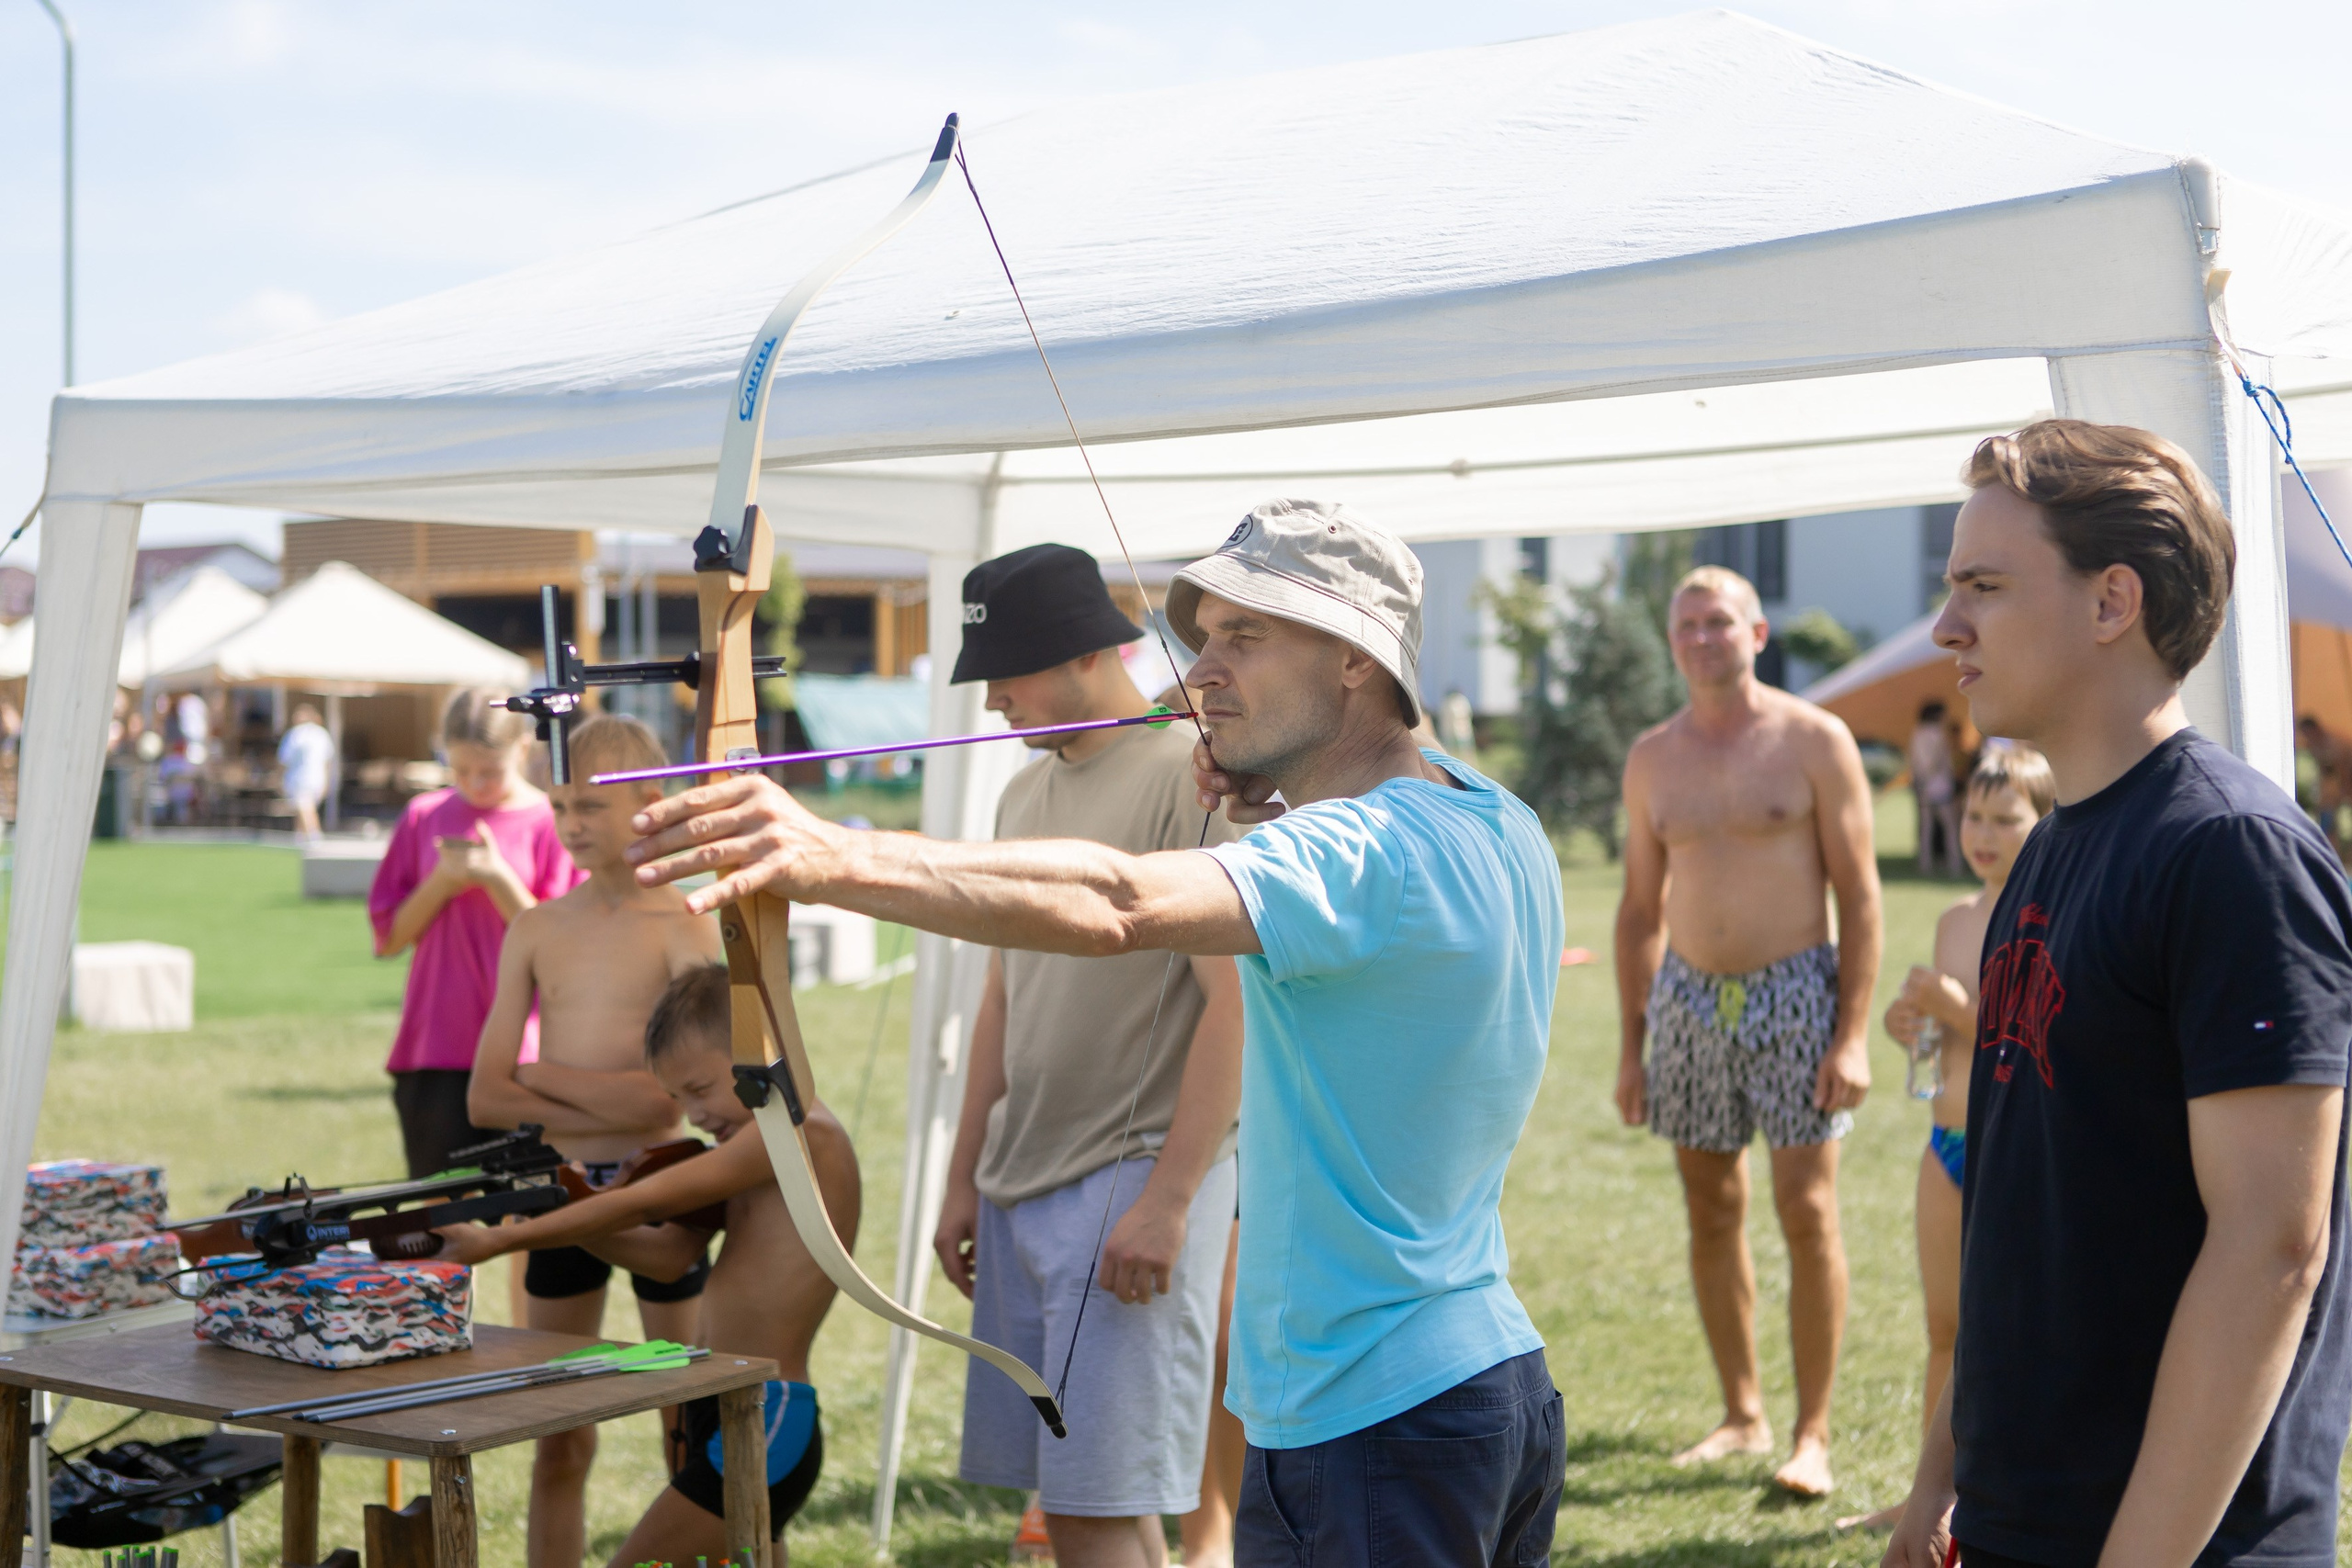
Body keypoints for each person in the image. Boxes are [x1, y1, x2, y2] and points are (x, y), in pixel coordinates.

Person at [622, 499, 1567, 1564]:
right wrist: (1268, 775)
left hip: (1370, 1417)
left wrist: (828, 855)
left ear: (1353, 657)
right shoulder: (1492, 815)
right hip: (1478, 1382)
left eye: (1243, 637)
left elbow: (1118, 901)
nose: (1201, 669)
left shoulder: (1365, 853)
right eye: (1204, 636)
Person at [1880, 420, 2352, 1568]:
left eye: (1984, 586)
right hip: (2018, 1520)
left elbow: (2269, 1250)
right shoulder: (2048, 854)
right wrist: (1938, 1484)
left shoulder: (2233, 854)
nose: (1947, 626)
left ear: (2111, 603)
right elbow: (2015, 1207)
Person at [924, 545, 1245, 1568]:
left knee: (1097, 1510)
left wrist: (1171, 1195)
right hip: (1022, 1184)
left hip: (1127, 1180)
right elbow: (999, 1000)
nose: (993, 705)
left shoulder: (1183, 777)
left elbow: (1233, 1012)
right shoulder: (1021, 798)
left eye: (1006, 675)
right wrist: (964, 1178)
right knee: (1083, 1508)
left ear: (1079, 655)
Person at [439, 964, 857, 1566]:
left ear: (754, 1050)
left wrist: (499, 1241)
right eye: (678, 1098)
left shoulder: (796, 1133)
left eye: (699, 1087)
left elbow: (646, 1201)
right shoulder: (746, 1143)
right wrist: (574, 1202)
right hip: (724, 1407)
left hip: (769, 1411)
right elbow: (664, 1256)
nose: (691, 1115)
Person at [1613, 564, 1882, 1498]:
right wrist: (1630, 1044)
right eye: (1685, 625)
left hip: (1798, 992)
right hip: (1689, 1001)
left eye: (1717, 623)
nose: (1700, 638)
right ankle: (1740, 1413)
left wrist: (1849, 1035)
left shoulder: (1814, 740)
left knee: (1806, 1212)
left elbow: (1858, 890)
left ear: (1756, 634)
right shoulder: (1652, 757)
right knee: (1708, 1206)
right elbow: (1639, 908)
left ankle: (1810, 1435)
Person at [464, 716, 721, 1568]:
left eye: (591, 805)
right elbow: (485, 1095)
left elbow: (665, 1102)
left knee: (685, 1425)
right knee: (559, 1430)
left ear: (651, 803)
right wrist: (576, 1096)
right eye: (561, 804)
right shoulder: (538, 927)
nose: (571, 823)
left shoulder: (684, 922)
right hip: (564, 1193)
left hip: (659, 1195)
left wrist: (546, 1079)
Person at [1842, 744, 2052, 1533]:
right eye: (1974, 815)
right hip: (1948, 1143)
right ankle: (1932, 1492)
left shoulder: (2047, 917)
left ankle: (2008, 1493)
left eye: (2008, 818)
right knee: (1945, 1327)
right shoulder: (1954, 917)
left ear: (2047, 821)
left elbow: (2031, 1042)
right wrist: (1912, 1026)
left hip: (2015, 1154)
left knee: (2015, 1330)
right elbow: (1947, 1043)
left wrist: (1962, 1008)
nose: (1985, 833)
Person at [368, 688, 581, 1179]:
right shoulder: (424, 816)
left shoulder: (553, 822)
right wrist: (442, 882)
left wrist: (497, 877)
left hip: (526, 1051)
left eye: (489, 771)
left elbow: (564, 946)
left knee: (531, 1206)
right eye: (460, 771)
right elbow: (390, 939)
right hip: (436, 1042)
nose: (474, 784)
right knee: (442, 1207)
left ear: (523, 751)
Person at [1909, 702, 1961, 875]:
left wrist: (1921, 781)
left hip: (1923, 785)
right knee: (1950, 827)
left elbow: (1916, 762)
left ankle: (1925, 864)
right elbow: (1939, 762)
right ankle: (1955, 864)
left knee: (1926, 827)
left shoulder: (1917, 734)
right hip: (1940, 786)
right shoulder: (1938, 734)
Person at [277, 703, 337, 840]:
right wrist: (327, 779)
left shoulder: (296, 735)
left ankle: (314, 835)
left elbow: (283, 760)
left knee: (305, 806)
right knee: (302, 807)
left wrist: (279, 777)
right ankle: (300, 836)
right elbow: (328, 761)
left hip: (300, 778)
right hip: (312, 778)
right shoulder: (320, 734)